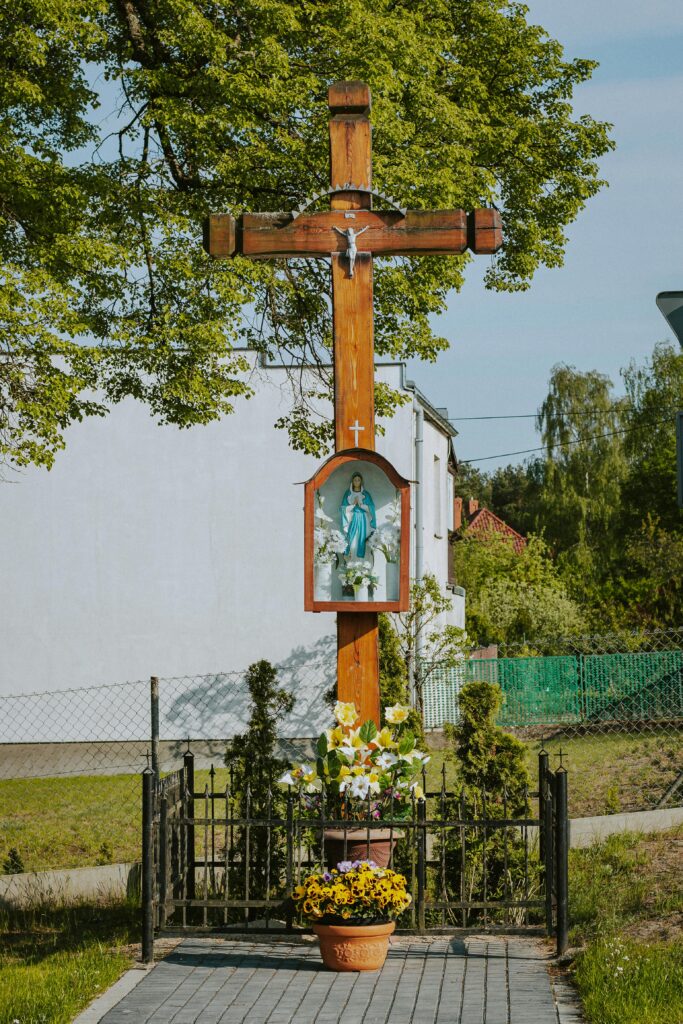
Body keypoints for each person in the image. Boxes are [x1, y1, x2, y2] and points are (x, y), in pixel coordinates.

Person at [340, 472, 376, 558]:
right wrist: (353, 505)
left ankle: (361, 560)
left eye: (358, 480)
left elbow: (372, 508)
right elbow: (342, 508)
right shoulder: (348, 494)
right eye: (355, 480)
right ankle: (351, 558)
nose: (356, 482)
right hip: (353, 518)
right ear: (352, 481)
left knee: (362, 538)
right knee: (352, 537)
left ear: (361, 481)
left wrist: (361, 505)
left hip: (364, 519)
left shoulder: (365, 494)